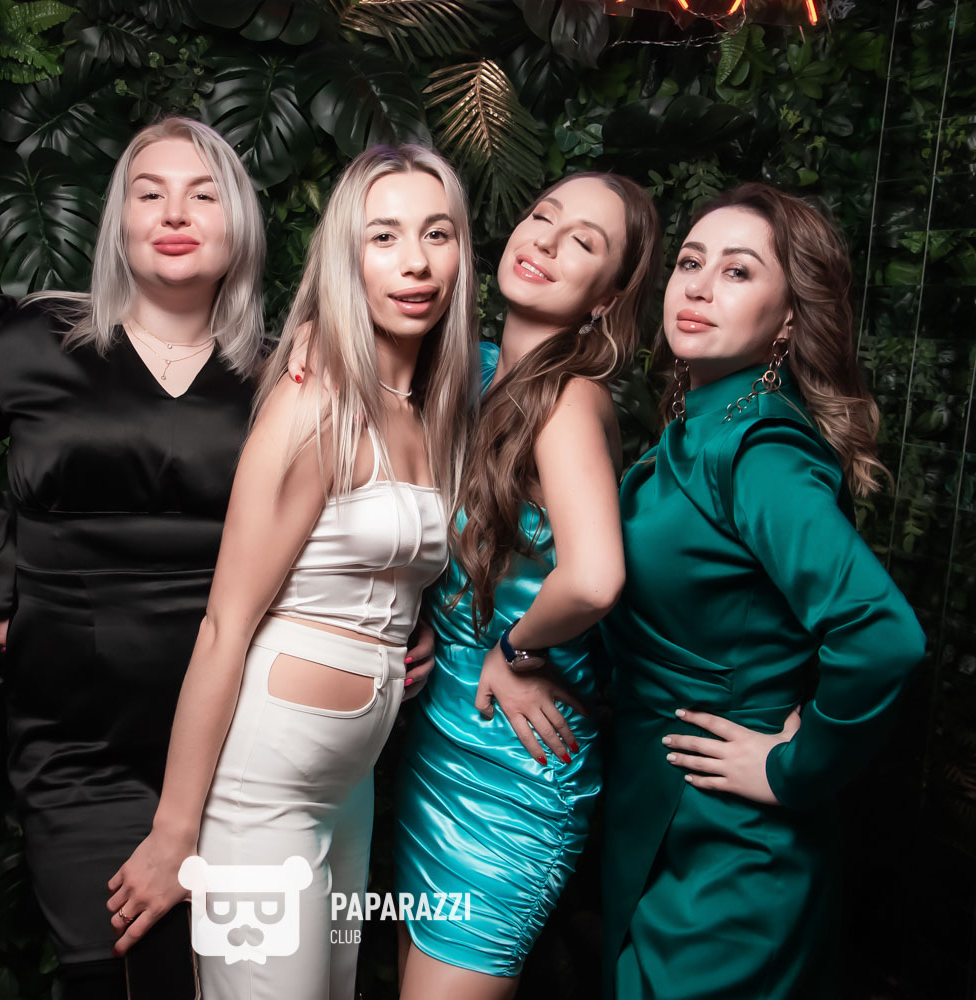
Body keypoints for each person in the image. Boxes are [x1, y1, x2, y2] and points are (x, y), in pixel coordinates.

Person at [0, 116, 266, 1000]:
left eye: (203, 194)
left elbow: (344, 524)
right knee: (109, 972)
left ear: (240, 223)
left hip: (240, 737)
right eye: (149, 192)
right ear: (117, 222)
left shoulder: (284, 372)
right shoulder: (26, 337)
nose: (174, 213)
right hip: (76, 738)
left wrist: (382, 632)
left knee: (219, 979)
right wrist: (0, 595)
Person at [106, 144, 478, 1000]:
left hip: (348, 787)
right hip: (261, 791)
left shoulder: (433, 405)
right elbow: (225, 624)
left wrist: (415, 628)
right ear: (347, 257)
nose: (415, 262)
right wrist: (175, 834)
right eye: (383, 237)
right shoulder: (316, 399)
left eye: (438, 233)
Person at [599, 182, 927, 998]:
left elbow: (882, 634)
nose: (699, 286)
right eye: (690, 262)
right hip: (663, 808)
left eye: (739, 271)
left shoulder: (758, 447)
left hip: (733, 847)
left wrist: (793, 768)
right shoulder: (703, 422)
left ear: (787, 320)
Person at [392, 172, 661, 999]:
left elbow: (595, 578)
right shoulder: (466, 369)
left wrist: (514, 647)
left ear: (605, 298)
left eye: (582, 241)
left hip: (513, 762)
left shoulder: (569, 398)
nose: (545, 239)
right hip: (436, 738)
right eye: (544, 216)